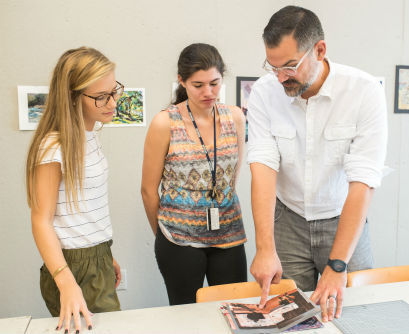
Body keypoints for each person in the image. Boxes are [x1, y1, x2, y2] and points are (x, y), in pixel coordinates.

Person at [247, 6, 388, 321]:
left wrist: (338, 265)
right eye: (273, 67)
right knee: (287, 319)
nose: (281, 77)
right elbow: (262, 168)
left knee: (356, 315)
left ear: (320, 50)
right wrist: (265, 247)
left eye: (290, 66)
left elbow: (363, 180)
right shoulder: (263, 92)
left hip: (342, 218)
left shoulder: (364, 92)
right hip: (287, 221)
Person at [141, 43, 247, 305]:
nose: (208, 92)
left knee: (234, 311)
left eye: (214, 83)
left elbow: (232, 178)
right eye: (198, 85)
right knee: (185, 315)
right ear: (182, 81)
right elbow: (147, 190)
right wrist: (164, 234)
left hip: (228, 233)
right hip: (178, 238)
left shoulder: (235, 117)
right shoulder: (165, 122)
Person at [26, 47, 123, 333]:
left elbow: (81, 207)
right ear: (72, 97)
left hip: (97, 255)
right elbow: (40, 220)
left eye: (114, 90)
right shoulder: (53, 147)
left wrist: (104, 254)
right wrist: (66, 281)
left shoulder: (90, 134)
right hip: (72, 264)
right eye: (101, 97)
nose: (113, 102)